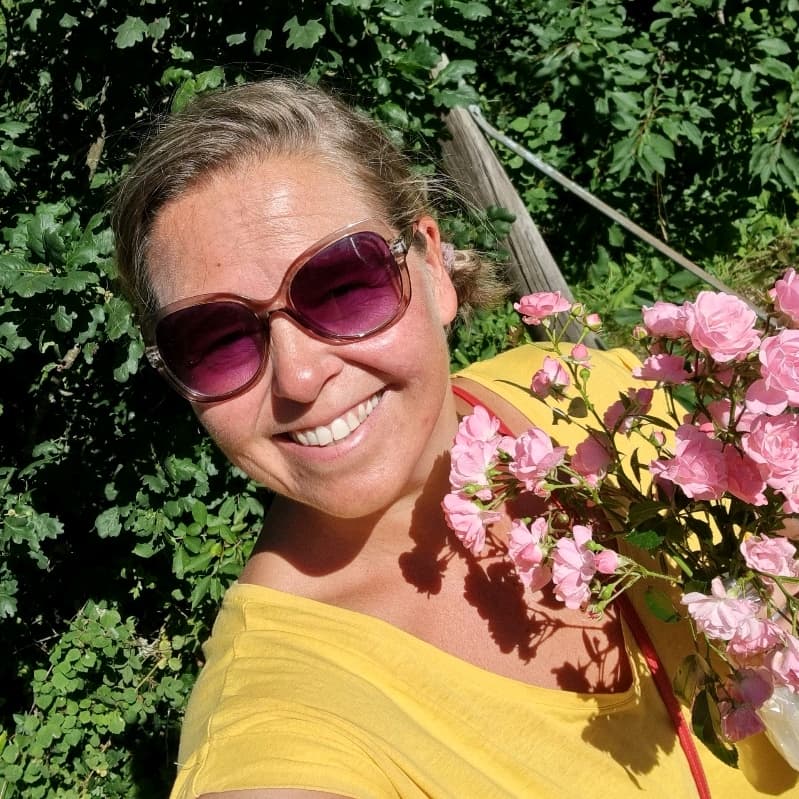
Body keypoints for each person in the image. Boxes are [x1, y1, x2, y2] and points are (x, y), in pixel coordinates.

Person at [111, 79, 799, 799]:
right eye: (216, 340)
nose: (300, 377)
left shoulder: (582, 393)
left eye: (340, 286)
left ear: (433, 266)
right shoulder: (280, 715)